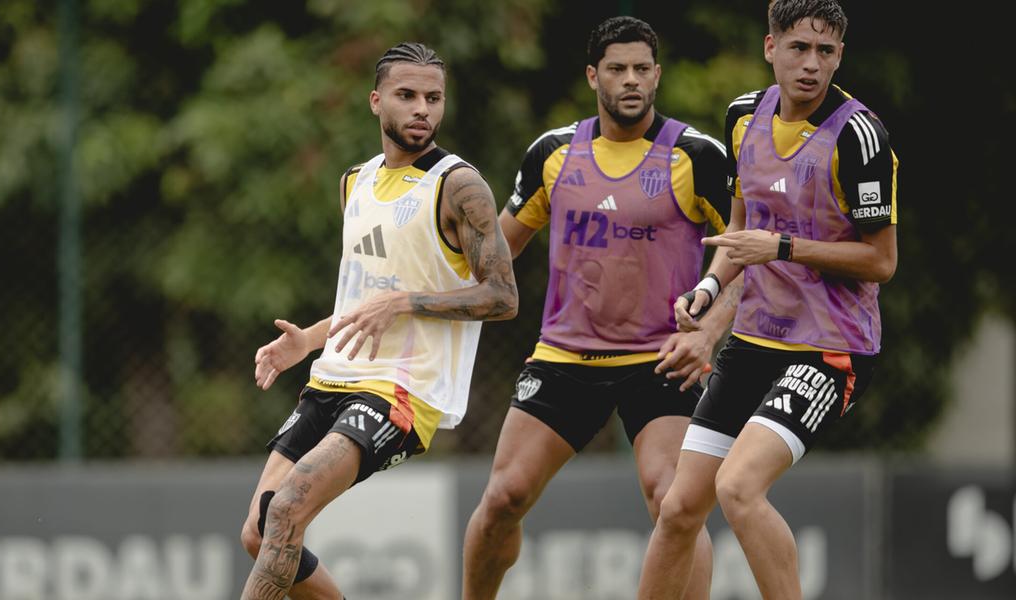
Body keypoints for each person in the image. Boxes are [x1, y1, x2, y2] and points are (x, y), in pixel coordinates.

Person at [461, 16, 732, 600]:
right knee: (503, 498)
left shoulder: (696, 155)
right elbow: (498, 254)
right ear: (593, 76)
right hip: (565, 357)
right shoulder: (554, 153)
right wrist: (423, 293)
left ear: (657, 75)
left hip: (661, 360)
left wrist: (706, 333)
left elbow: (746, 255)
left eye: (641, 68)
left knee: (673, 501)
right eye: (617, 69)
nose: (630, 79)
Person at [238, 42, 518, 600]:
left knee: (288, 508)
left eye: (434, 98)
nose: (422, 109)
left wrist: (406, 302)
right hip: (333, 377)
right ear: (375, 101)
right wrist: (308, 341)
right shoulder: (355, 181)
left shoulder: (458, 185)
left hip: (401, 391)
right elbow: (367, 296)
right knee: (259, 530)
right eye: (407, 95)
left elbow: (502, 297)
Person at [637, 1, 898, 598]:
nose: (811, 65)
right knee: (679, 509)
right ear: (770, 47)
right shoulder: (743, 116)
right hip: (755, 339)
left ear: (840, 56)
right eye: (798, 48)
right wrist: (708, 289)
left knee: (738, 488)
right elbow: (740, 231)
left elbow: (882, 261)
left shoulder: (859, 136)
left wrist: (782, 247)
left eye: (825, 52)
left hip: (828, 350)